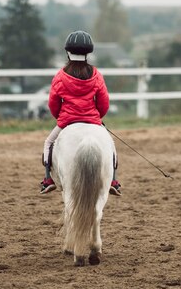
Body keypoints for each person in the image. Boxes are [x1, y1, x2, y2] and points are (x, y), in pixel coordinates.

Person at [40, 30, 121, 196]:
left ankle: (48, 179)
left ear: (68, 52)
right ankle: (113, 180)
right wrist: (97, 116)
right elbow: (104, 103)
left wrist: (60, 117)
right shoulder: (96, 75)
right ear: (88, 53)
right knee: (111, 145)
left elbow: (53, 103)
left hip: (66, 121)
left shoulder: (60, 76)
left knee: (48, 143)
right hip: (92, 120)